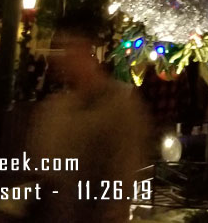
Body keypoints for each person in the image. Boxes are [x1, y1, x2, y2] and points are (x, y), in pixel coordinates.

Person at [30, 15, 151, 223]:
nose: (60, 58)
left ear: (85, 49)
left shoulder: (118, 108)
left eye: (67, 48)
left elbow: (120, 183)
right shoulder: (56, 109)